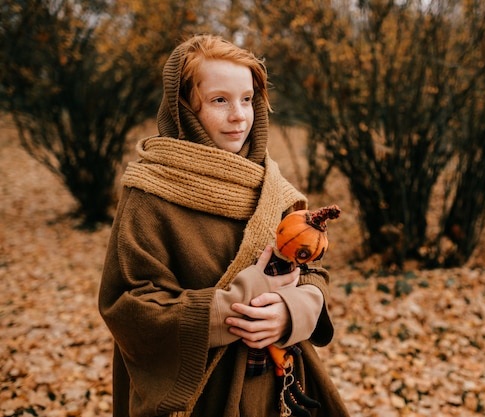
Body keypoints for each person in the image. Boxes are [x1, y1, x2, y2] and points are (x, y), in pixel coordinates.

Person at [98, 34, 350, 417]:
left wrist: (293, 310)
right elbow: (128, 308)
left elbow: (309, 270)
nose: (239, 115)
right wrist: (235, 306)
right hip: (202, 397)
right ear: (184, 107)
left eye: (247, 99)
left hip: (277, 392)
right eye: (220, 100)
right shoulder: (151, 193)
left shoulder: (273, 188)